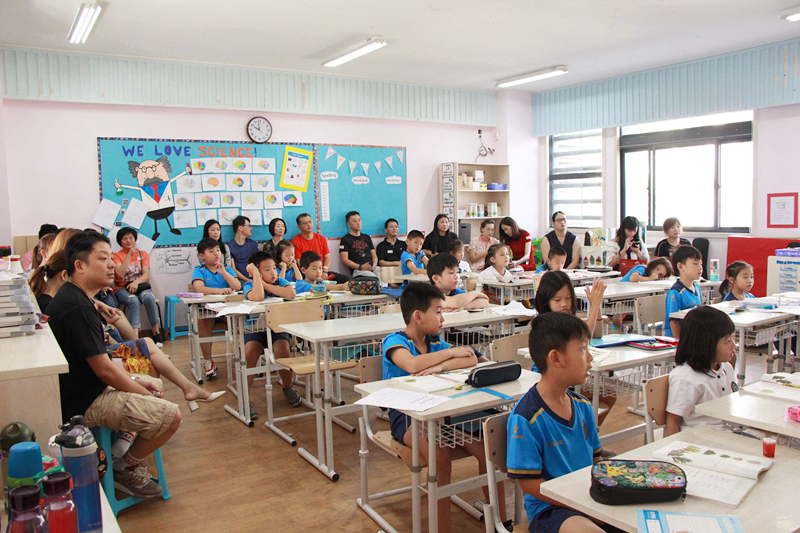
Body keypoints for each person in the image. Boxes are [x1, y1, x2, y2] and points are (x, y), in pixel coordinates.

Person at [47, 230, 181, 498]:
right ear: (79, 265)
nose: (112, 265)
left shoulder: (78, 298)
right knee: (171, 417)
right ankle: (123, 468)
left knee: (153, 383)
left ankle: (120, 453)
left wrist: (135, 382)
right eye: (103, 258)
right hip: (83, 402)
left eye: (111, 258)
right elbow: (104, 370)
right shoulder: (76, 306)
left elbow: (102, 364)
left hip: (88, 388)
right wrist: (139, 391)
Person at [382, 282, 506, 533]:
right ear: (418, 317)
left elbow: (470, 358)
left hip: (443, 410)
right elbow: (412, 365)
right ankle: (442, 527)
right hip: (406, 415)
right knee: (439, 457)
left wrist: (439, 366)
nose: (443, 317)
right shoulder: (394, 341)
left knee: (488, 449)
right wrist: (451, 355)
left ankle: (501, 522)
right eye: (438, 311)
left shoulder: (434, 341)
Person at [506, 313, 621, 533]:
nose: (590, 357)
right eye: (582, 349)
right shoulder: (526, 417)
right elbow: (527, 482)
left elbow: (596, 457)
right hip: (551, 508)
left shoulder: (583, 406)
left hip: (587, 497)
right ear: (556, 358)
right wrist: (578, 504)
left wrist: (605, 489)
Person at [532, 271, 614, 425]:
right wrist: (594, 305)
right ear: (545, 300)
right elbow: (585, 338)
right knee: (605, 395)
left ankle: (586, 430)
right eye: (557, 300)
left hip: (567, 379)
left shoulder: (567, 319)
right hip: (551, 381)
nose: (564, 304)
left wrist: (597, 304)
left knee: (609, 395)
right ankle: (583, 429)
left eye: (568, 298)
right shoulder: (548, 323)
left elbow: (597, 334)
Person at [665, 306, 738, 435]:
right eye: (727, 341)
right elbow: (673, 420)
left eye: (734, 338)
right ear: (706, 343)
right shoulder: (686, 378)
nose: (734, 346)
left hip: (728, 431)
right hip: (701, 438)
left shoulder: (727, 368)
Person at [244, 251, 299, 415]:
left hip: (277, 328)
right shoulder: (249, 285)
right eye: (266, 269)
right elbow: (258, 296)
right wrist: (256, 277)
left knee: (283, 349)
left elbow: (291, 294)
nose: (273, 272)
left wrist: (266, 284)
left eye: (274, 268)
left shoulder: (281, 281)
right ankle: (245, 397)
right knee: (250, 353)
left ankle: (288, 386)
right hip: (255, 329)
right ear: (257, 271)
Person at [192, 237, 242, 379]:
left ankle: (242, 355)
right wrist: (219, 291)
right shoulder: (199, 270)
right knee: (203, 323)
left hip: (227, 308)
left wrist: (224, 273)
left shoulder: (227, 269)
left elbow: (237, 286)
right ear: (202, 256)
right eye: (211, 251)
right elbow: (199, 288)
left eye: (218, 250)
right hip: (208, 309)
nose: (216, 254)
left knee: (238, 321)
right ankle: (208, 361)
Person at [113, 227, 163, 342]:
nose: (128, 241)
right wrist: (129, 255)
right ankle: (134, 336)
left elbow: (146, 275)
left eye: (131, 238)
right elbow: (120, 274)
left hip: (140, 286)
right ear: (120, 241)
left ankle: (156, 332)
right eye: (125, 238)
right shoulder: (116, 256)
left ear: (135, 239)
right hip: (122, 288)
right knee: (133, 300)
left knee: (149, 298)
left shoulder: (143, 254)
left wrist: (135, 283)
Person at [291, 213, 349, 283]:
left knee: (346, 279)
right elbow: (299, 263)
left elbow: (327, 258)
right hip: (308, 274)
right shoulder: (295, 241)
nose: (309, 225)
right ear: (299, 227)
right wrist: (315, 274)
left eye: (310, 222)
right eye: (305, 223)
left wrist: (324, 271)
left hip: (322, 272)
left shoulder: (321, 238)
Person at [664, 246, 704, 338]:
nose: (700, 268)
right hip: (678, 340)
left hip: (692, 337)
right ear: (680, 266)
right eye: (695, 264)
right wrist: (680, 343)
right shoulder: (676, 292)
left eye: (700, 264)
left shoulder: (696, 286)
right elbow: (673, 322)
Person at [339, 211, 379, 276]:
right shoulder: (345, 239)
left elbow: (374, 255)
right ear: (349, 224)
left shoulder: (367, 237)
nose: (358, 223)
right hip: (358, 270)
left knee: (385, 274)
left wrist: (374, 266)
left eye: (359, 220)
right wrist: (360, 267)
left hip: (372, 267)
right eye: (354, 221)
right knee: (374, 278)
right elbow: (344, 259)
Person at [227, 215, 259, 282]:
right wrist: (247, 280)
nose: (251, 228)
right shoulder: (229, 246)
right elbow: (233, 269)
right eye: (248, 226)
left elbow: (258, 264)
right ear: (240, 228)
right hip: (238, 279)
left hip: (254, 277)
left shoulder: (253, 244)